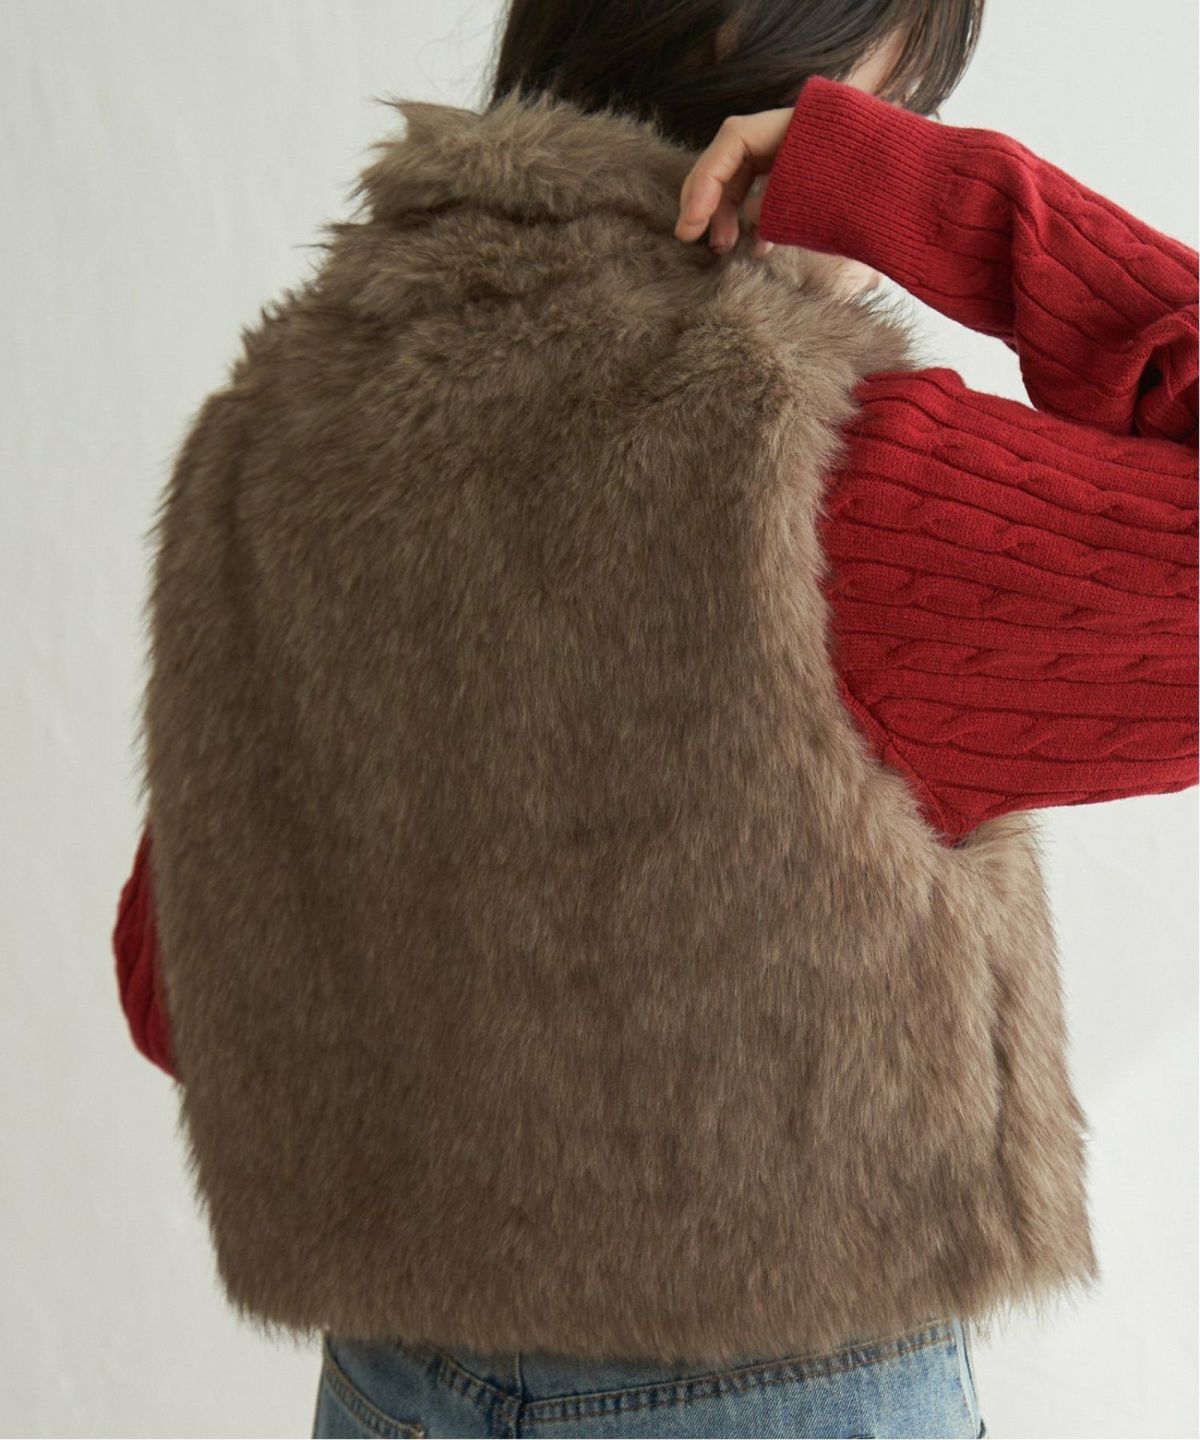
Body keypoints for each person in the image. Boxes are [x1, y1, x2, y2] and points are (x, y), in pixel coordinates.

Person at [112, 1, 1197, 1435]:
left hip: (394, 1387)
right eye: (902, 105)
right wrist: (955, 206)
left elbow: (174, 984)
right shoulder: (816, 474)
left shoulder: (276, 431)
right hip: (777, 1388)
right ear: (778, 92)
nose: (905, 136)